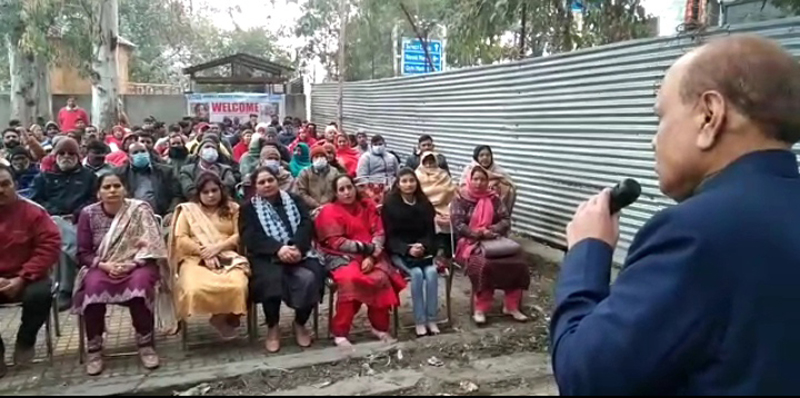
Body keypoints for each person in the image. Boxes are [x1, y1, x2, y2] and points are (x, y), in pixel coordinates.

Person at [551, 35, 800, 396]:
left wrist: (587, 252)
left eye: (661, 117)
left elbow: (585, 376)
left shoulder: (695, 233)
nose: (654, 140)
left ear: (709, 116)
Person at [74, 172, 171, 376]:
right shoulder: (88, 214)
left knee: (139, 286)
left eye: (116, 186)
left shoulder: (140, 210)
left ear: (125, 189)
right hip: (102, 266)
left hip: (138, 264)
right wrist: (105, 266)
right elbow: (82, 253)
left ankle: (145, 344)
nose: (112, 191)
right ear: (98, 192)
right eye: (106, 187)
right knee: (92, 288)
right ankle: (94, 349)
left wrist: (133, 263)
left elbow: (154, 246)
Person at [314, 175, 407, 347]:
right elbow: (336, 242)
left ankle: (380, 328)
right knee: (350, 280)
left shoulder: (367, 206)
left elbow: (379, 233)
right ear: (335, 193)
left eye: (349, 187)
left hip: (372, 254)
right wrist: (366, 250)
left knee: (380, 278)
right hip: (339, 255)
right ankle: (340, 332)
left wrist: (372, 257)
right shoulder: (329, 211)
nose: (347, 192)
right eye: (341, 189)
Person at [240, 166, 325, 352]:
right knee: (271, 280)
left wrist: (296, 247)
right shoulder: (248, 208)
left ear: (277, 181)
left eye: (270, 180)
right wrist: (278, 249)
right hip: (267, 256)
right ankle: (273, 326)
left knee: (313, 276)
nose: (267, 185)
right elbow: (250, 237)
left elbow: (306, 223)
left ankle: (300, 323)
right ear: (255, 186)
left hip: (298, 251)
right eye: (261, 182)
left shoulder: (294, 199)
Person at [170, 172, 249, 341]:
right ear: (198, 194)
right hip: (194, 258)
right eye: (205, 192)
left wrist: (217, 248)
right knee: (194, 288)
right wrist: (204, 252)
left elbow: (239, 235)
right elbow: (181, 238)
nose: (211, 195)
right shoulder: (189, 211)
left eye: (214, 190)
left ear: (221, 189)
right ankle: (223, 317)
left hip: (227, 255)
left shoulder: (233, 208)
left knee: (238, 285)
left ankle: (220, 318)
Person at [0, 164, 61, 375]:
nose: (1, 190)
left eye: (5, 184)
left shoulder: (34, 212)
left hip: (30, 277)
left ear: (15, 185)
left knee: (40, 294)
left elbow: (49, 246)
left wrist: (22, 277)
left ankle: (26, 340)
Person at [452, 167, 529, 325]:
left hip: (494, 240)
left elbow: (505, 219)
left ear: (488, 181)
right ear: (469, 179)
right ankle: (481, 308)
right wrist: (478, 233)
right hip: (469, 242)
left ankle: (511, 306)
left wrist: (491, 230)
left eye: (483, 179)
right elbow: (458, 224)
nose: (479, 183)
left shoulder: (493, 198)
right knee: (484, 264)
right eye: (475, 179)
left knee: (518, 262)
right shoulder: (460, 198)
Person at [382, 168, 440, 337]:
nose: (409, 184)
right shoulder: (390, 205)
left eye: (412, 180)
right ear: (398, 184)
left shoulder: (424, 203)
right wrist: (407, 249)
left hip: (423, 251)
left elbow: (430, 232)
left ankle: (432, 319)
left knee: (431, 273)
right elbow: (389, 237)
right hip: (400, 252)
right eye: (404, 181)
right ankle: (420, 321)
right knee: (416, 274)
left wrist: (422, 246)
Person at [116, 142, 180, 217]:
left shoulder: (165, 171)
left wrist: (171, 212)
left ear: (148, 153)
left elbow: (177, 195)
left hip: (162, 217)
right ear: (129, 156)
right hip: (132, 217)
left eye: (143, 151)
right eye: (135, 152)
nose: (140, 154)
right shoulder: (121, 174)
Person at [416, 152, 457, 267]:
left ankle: (446, 253)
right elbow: (420, 194)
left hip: (443, 206)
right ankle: (434, 251)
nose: (429, 164)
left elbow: (449, 191)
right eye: (426, 162)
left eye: (431, 161)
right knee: (432, 220)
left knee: (449, 220)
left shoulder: (443, 174)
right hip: (425, 206)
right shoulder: (417, 175)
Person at [459, 145, 516, 214]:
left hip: (494, 208)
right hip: (471, 207)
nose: (485, 158)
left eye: (488, 155)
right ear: (476, 157)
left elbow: (509, 184)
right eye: (481, 155)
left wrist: (496, 182)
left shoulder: (498, 171)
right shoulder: (470, 169)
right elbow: (462, 186)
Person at [296, 145, 340, 211]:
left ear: (326, 158)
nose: (319, 159)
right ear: (312, 160)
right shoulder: (305, 173)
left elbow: (338, 190)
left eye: (322, 156)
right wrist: (317, 205)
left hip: (332, 208)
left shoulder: (334, 172)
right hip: (312, 209)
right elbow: (302, 193)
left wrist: (329, 206)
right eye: (316, 157)